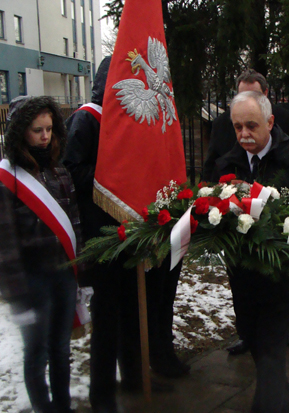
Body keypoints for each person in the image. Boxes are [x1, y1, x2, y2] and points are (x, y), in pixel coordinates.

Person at [63, 57, 173, 413]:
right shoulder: (87, 119)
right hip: (103, 238)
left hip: (132, 233)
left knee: (134, 310)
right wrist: (113, 175)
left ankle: (135, 375)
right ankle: (102, 395)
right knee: (108, 317)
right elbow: (72, 171)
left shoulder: (128, 120)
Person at [210, 90, 289, 412]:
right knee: (256, 346)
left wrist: (284, 235)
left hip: (283, 279)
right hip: (244, 280)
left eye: (251, 125)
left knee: (272, 354)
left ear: (270, 122)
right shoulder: (227, 165)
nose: (244, 134)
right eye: (237, 127)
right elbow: (210, 209)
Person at [205, 69, 289, 356]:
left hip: (277, 222)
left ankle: (286, 326)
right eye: (241, 95)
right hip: (238, 221)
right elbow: (213, 163)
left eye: (253, 95)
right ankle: (247, 334)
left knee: (279, 286)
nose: (244, 132)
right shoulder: (224, 125)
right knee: (242, 285)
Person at [0, 96, 81, 413]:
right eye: (37, 130)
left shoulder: (60, 172)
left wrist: (81, 274)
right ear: (21, 132)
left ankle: (63, 406)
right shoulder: (8, 179)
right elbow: (5, 245)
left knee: (61, 349)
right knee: (37, 353)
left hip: (63, 275)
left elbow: (75, 225)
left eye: (49, 129)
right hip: (32, 281)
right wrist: (17, 295)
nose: (45, 136)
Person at [202, 68, 289, 183]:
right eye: (238, 127)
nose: (245, 133)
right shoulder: (221, 124)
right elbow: (210, 170)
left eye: (254, 96)